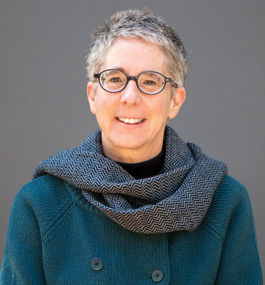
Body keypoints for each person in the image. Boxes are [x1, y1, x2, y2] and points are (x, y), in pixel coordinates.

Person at [0, 8, 263, 285]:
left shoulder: (224, 202)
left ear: (175, 100)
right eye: (114, 79)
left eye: (150, 81)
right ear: (93, 96)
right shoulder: (40, 204)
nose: (130, 97)